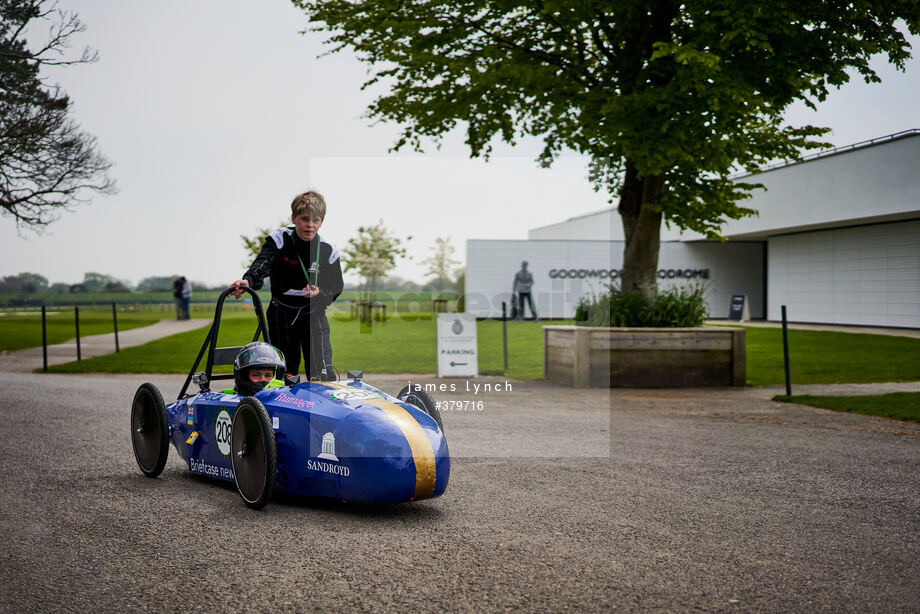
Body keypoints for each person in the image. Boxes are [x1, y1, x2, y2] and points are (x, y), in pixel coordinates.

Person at [230, 190, 344, 380]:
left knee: (322, 373)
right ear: (293, 218)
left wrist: (320, 293)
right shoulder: (279, 240)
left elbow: (336, 287)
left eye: (315, 220)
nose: (310, 225)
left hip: (313, 315)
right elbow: (263, 264)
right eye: (304, 219)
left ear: (322, 221)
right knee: (284, 372)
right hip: (281, 316)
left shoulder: (327, 250)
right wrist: (247, 280)